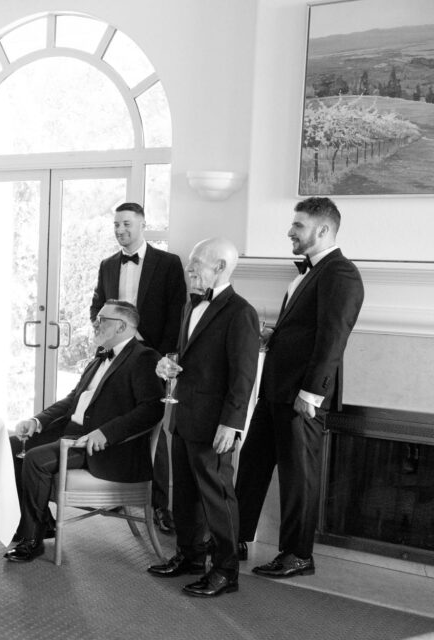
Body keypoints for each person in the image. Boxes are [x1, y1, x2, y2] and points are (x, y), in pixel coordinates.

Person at [236, 197, 364, 579]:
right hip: (275, 388)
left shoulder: (340, 273)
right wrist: (275, 336)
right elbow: (306, 331)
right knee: (253, 466)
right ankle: (235, 538)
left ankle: (298, 555)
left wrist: (312, 394)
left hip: (302, 396)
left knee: (298, 476)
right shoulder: (307, 273)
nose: (290, 231)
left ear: (323, 230)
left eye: (298, 225)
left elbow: (332, 338)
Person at [5, 300, 164, 563]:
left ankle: (32, 540)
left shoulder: (144, 358)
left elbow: (152, 410)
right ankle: (41, 522)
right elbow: (72, 400)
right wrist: (37, 421)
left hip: (103, 446)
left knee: (35, 459)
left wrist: (106, 433)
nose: (94, 324)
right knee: (14, 444)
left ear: (121, 326)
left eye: (102, 320)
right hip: (70, 433)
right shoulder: (100, 356)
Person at [146, 239, 259, 598]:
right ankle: (191, 556)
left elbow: (244, 375)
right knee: (186, 495)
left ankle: (226, 572)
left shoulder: (241, 312)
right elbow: (187, 354)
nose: (189, 268)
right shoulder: (190, 304)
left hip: (215, 422)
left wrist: (233, 423)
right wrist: (167, 362)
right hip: (182, 413)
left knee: (217, 497)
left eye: (197, 263)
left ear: (221, 267)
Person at [89, 202, 186, 535]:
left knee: (154, 432)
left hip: (152, 359)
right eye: (116, 224)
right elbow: (96, 306)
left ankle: (160, 506)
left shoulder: (168, 263)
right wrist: (107, 336)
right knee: (111, 418)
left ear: (143, 224)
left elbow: (177, 313)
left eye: (126, 224)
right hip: (115, 357)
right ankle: (112, 489)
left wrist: (161, 356)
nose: (120, 230)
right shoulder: (106, 265)